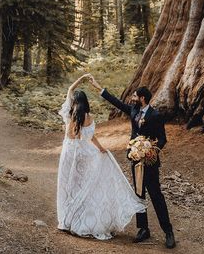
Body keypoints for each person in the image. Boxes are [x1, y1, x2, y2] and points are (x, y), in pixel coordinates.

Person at [89, 76, 176, 249]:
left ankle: (168, 232)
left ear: (142, 98)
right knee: (139, 195)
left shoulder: (156, 115)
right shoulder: (134, 111)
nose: (132, 98)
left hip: (150, 162)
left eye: (135, 96)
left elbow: (162, 138)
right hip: (135, 161)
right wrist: (98, 87)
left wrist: (152, 150)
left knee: (156, 196)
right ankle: (143, 229)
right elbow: (117, 102)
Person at [56, 73, 145, 240]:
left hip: (70, 152)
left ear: (74, 101)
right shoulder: (89, 117)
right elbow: (91, 137)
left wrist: (80, 79)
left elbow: (69, 90)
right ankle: (82, 218)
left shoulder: (70, 114)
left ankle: (68, 220)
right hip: (84, 153)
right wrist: (101, 149)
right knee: (84, 185)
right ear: (86, 102)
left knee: (68, 185)